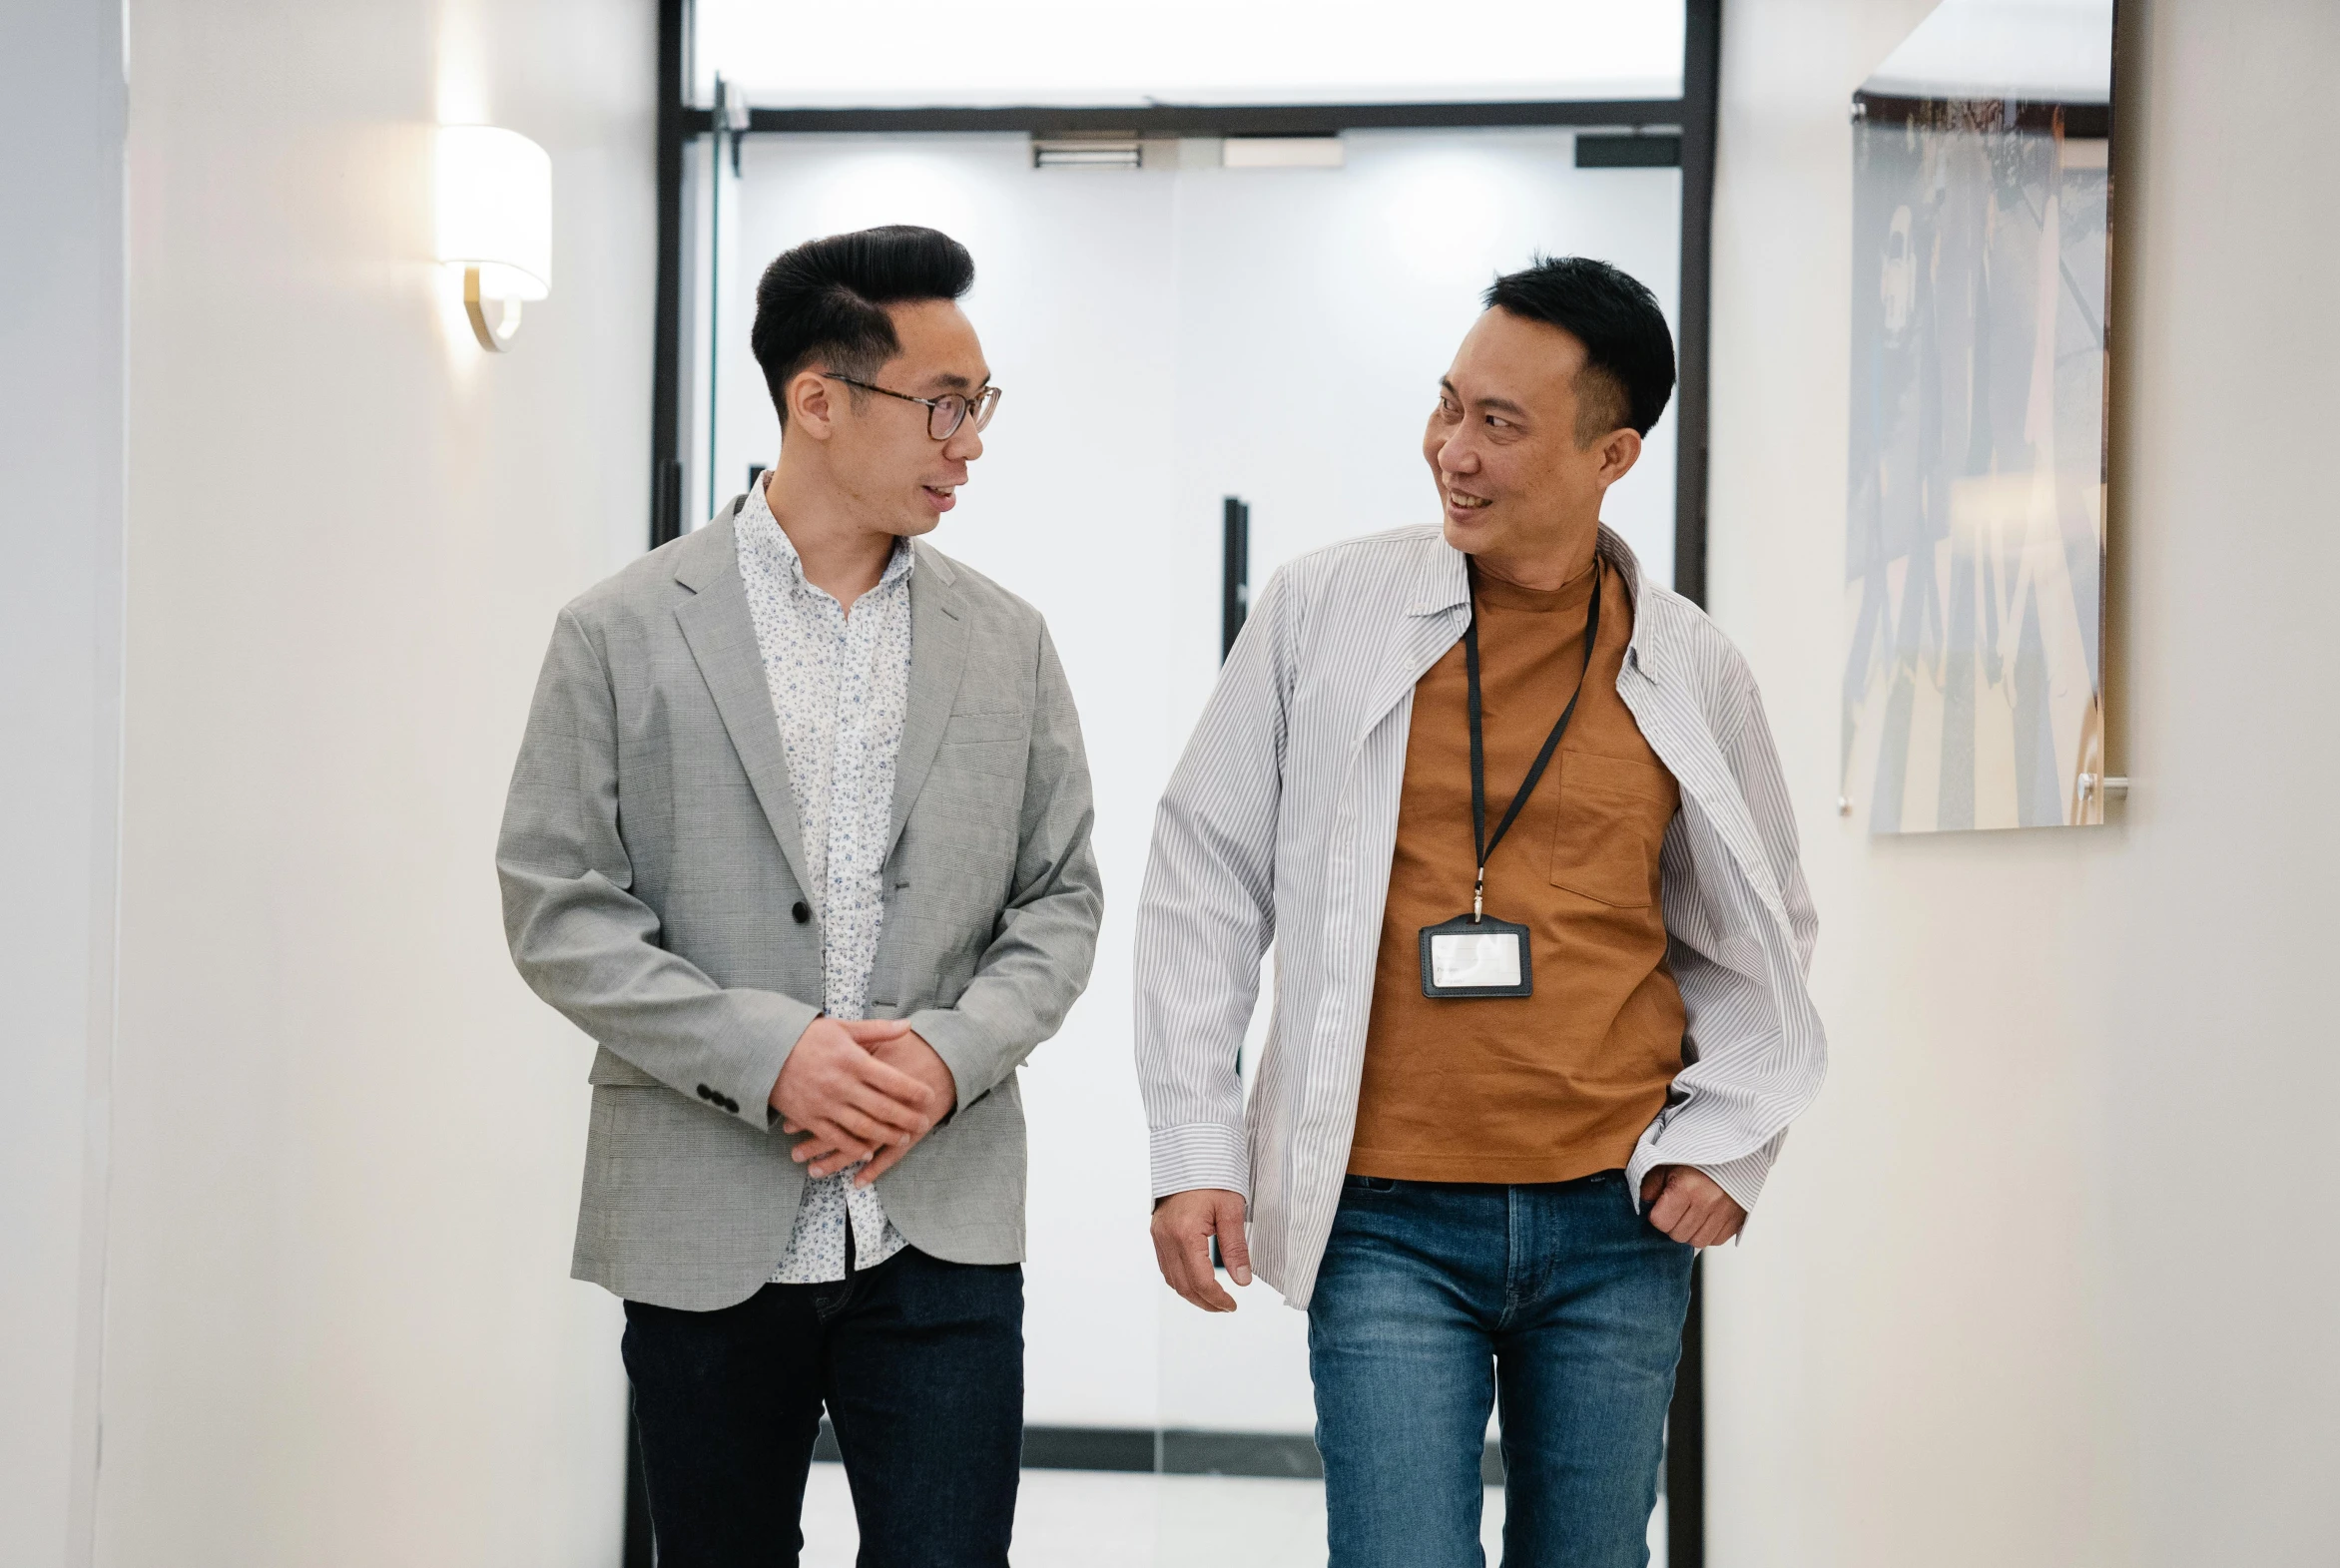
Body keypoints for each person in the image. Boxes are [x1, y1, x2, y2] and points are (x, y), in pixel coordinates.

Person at [1135, 257, 1824, 1567]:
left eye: (1499, 423)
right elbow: (1203, 870)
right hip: (1386, 1216)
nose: (1452, 448)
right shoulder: (1320, 610)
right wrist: (1193, 1141)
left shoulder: (1687, 664)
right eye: (1448, 405)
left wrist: (1733, 1145)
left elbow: (1760, 931)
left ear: (1611, 451)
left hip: (1613, 1217)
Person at [498, 225, 1101, 1568]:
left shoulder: (1007, 641)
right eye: (946, 405)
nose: (971, 441)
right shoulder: (621, 628)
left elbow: (1058, 900)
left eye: (980, 405)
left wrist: (943, 1061)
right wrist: (776, 1058)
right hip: (702, 1221)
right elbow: (558, 905)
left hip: (938, 1221)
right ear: (816, 401)